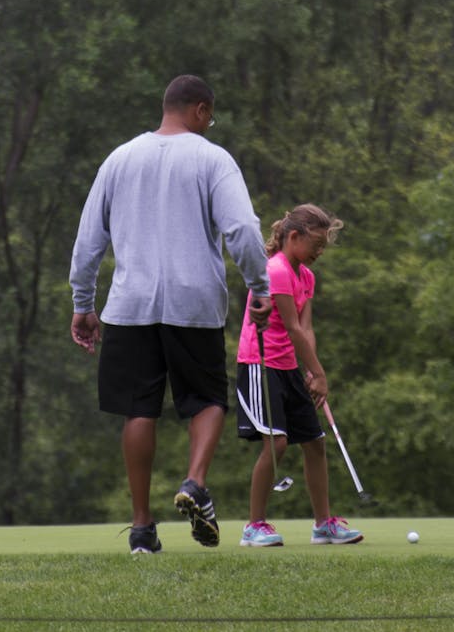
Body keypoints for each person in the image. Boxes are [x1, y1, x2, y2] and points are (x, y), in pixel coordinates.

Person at [69, 75, 273, 554]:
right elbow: (242, 228)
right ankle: (195, 483)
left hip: (130, 303)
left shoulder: (119, 159)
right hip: (193, 301)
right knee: (206, 399)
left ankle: (142, 528)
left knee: (139, 408)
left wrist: (83, 303)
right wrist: (259, 285)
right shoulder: (212, 158)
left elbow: (87, 240)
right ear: (200, 110)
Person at [235, 204, 363, 546]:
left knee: (315, 442)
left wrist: (312, 369)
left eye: (323, 246)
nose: (320, 252)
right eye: (316, 245)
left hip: (289, 365)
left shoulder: (306, 276)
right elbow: (291, 327)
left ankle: (323, 524)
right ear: (293, 237)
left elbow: (306, 329)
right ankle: (254, 526)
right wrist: (319, 373)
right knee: (276, 442)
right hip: (259, 363)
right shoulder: (275, 270)